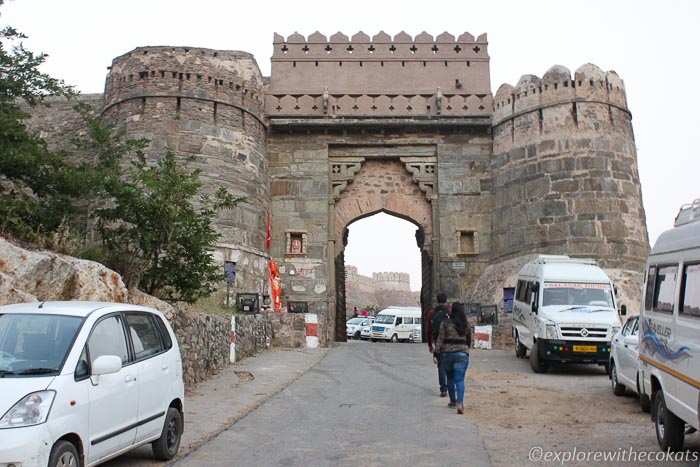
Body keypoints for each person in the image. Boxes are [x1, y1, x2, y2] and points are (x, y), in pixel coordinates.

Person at [433, 302, 471, 414]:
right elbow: (469, 340)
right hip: (462, 354)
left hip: (447, 353)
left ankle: (453, 401)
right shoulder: (466, 324)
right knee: (460, 380)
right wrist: (465, 350)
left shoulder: (445, 323)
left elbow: (440, 339)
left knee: (450, 378)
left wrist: (436, 353)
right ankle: (460, 402)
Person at [426, 293, 451, 397]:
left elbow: (428, 330)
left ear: (437, 301)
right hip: (450, 340)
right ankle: (451, 389)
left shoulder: (432, 312)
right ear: (446, 301)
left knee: (441, 366)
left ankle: (443, 389)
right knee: (451, 364)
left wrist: (430, 345)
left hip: (438, 341)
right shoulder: (450, 311)